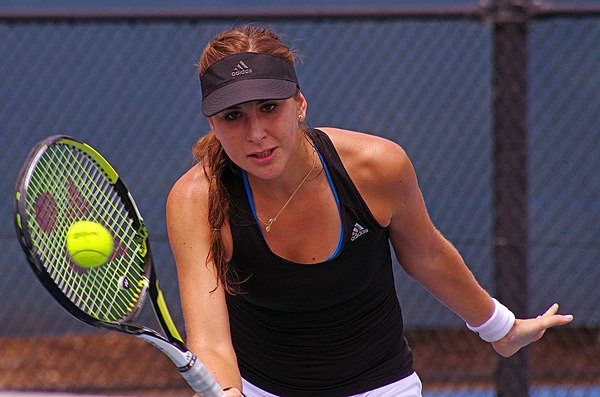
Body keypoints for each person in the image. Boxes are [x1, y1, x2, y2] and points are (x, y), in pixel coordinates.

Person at [166, 25, 573, 397]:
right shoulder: (195, 200)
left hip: (382, 388)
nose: (256, 134)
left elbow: (426, 255)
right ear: (213, 126)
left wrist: (500, 328)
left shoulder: (377, 167)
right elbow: (211, 341)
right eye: (233, 116)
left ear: (300, 104)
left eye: (270, 107)